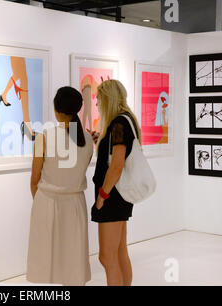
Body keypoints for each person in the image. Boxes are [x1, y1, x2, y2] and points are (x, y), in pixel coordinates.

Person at [26, 87, 93, 286]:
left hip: (47, 202)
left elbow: (34, 179)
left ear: (56, 109)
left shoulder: (44, 137)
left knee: (46, 261)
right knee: (73, 261)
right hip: (75, 204)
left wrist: (39, 201)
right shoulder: (88, 139)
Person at [89, 79, 142, 286]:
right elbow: (116, 155)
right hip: (119, 195)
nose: (97, 104)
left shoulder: (119, 124)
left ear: (108, 99)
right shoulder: (126, 120)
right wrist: (100, 141)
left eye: (99, 99)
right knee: (120, 251)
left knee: (106, 257)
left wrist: (102, 196)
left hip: (112, 196)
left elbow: (117, 166)